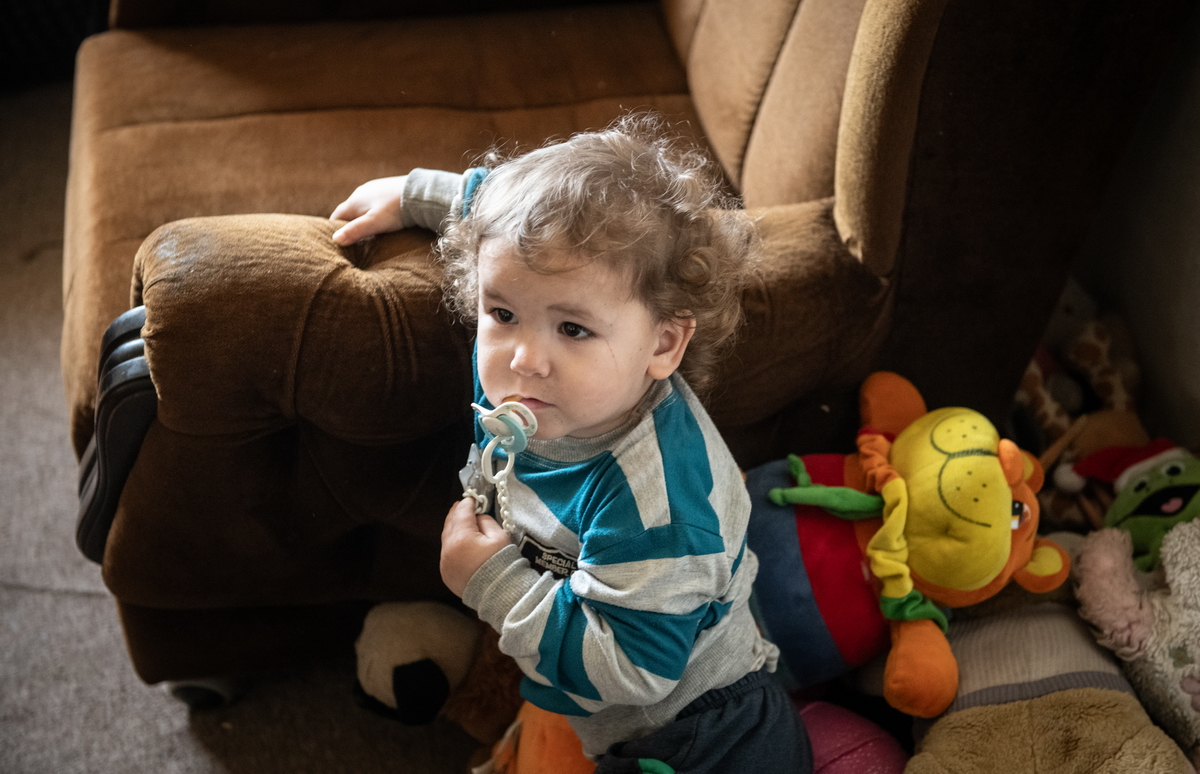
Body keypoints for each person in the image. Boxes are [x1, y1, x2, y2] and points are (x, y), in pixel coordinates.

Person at [330, 115, 812, 774]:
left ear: (664, 342)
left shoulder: (655, 502)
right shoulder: (527, 369)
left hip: (698, 732)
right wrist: (418, 195)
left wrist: (495, 583)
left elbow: (635, 671)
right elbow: (504, 224)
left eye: (574, 330)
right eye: (502, 314)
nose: (525, 358)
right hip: (589, 701)